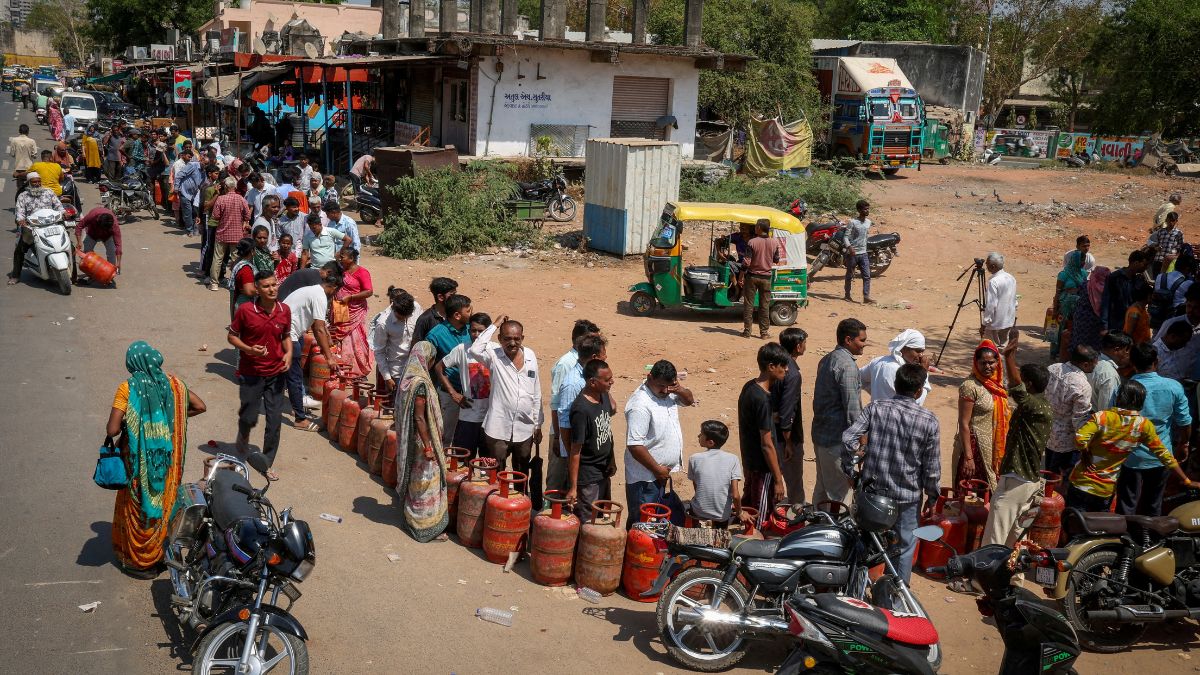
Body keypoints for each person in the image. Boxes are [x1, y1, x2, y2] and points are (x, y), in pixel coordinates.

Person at [106, 341, 206, 578]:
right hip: (166, 461)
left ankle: (137, 562)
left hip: (136, 462)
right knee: (162, 502)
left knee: (138, 506)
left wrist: (136, 424)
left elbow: (112, 430)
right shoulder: (175, 385)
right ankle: (156, 555)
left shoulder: (128, 388)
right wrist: (174, 417)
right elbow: (200, 406)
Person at [841, 363, 940, 584]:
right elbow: (931, 468)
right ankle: (896, 597)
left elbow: (848, 438)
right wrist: (932, 496)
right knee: (903, 548)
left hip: (873, 494)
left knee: (866, 543)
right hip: (907, 499)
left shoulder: (876, 408)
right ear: (919, 391)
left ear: (896, 385)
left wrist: (850, 471)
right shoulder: (929, 420)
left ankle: (856, 590)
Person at [1069, 380, 1196, 511]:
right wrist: (1186, 480)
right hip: (1105, 489)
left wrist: (1085, 452)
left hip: (1080, 482)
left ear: (1118, 398)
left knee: (1074, 520)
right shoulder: (1143, 425)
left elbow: (1080, 438)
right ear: (1141, 401)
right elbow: (1165, 456)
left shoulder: (1102, 417)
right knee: (1098, 523)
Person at [981, 333, 1054, 548]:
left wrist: (1009, 358)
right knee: (1015, 537)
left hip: (1018, 482)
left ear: (1029, 384)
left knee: (996, 534)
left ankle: (986, 570)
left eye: (1022, 378)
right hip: (1023, 480)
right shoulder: (1039, 405)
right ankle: (1011, 569)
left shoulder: (1036, 407)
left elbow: (1017, 390)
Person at [228, 271, 291, 471]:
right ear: (257, 289)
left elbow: (286, 336)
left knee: (274, 420)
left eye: (274, 284)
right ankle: (243, 439)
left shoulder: (284, 310)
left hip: (276, 373)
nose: (272, 289)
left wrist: (289, 353)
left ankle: (266, 462)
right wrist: (249, 349)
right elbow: (232, 337)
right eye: (266, 286)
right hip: (251, 373)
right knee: (248, 417)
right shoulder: (245, 310)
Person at [1119, 343, 1192, 517]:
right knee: (1153, 504)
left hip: (1130, 457)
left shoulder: (1125, 388)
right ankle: (1150, 533)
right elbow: (1185, 422)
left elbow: (1114, 421)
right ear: (1156, 361)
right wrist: (1184, 444)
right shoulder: (1173, 387)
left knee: (1127, 504)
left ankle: (1124, 533)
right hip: (1161, 457)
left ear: (1132, 363)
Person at [623, 359, 694, 529]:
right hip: (645, 478)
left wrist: (679, 389)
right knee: (641, 525)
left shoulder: (668, 391)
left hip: (659, 476)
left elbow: (689, 400)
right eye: (661, 386)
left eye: (669, 386)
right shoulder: (640, 405)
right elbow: (635, 445)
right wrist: (657, 470)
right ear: (650, 377)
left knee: (654, 524)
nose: (665, 390)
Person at [468, 318, 544, 474]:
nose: (512, 343)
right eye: (507, 339)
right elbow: (475, 349)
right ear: (500, 339)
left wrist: (537, 425)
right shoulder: (493, 356)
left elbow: (536, 392)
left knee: (521, 472)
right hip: (498, 429)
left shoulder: (530, 356)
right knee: (496, 473)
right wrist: (494, 325)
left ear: (522, 338)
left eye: (517, 339)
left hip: (524, 428)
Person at [394, 341, 450, 543]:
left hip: (411, 441)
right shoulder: (420, 384)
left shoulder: (406, 380)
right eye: (432, 358)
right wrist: (428, 447)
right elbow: (419, 417)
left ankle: (411, 520)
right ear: (427, 358)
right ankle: (424, 526)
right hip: (422, 442)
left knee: (416, 482)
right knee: (426, 483)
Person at [811, 318, 866, 507]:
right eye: (862, 340)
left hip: (821, 435)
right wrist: (862, 440)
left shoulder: (827, 359)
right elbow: (853, 409)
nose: (864, 345)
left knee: (822, 488)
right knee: (840, 495)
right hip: (836, 440)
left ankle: (817, 521)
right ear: (848, 340)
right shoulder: (847, 366)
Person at [739, 343, 790, 529]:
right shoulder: (762, 399)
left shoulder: (749, 387)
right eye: (783, 365)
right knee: (760, 518)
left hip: (750, 463)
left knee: (749, 508)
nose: (786, 369)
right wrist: (778, 480)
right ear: (771, 367)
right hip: (762, 467)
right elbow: (767, 444)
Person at [284, 272, 344, 431]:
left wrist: (327, 337)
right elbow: (318, 328)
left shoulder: (313, 290)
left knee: (290, 374)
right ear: (334, 288)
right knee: (294, 377)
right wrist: (329, 357)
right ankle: (300, 419)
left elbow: (318, 325)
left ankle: (295, 405)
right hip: (287, 334)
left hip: (290, 332)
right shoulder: (320, 296)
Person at [549, 320, 602, 492]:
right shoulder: (566, 364)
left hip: (578, 436)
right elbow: (557, 405)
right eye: (592, 339)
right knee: (557, 482)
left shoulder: (591, 366)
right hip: (564, 434)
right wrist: (558, 438)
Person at [951, 340, 1011, 491]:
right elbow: (964, 423)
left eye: (991, 362)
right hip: (974, 448)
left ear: (998, 362)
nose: (987, 366)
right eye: (983, 363)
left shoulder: (997, 385)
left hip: (992, 448)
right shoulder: (970, 386)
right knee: (971, 495)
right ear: (976, 363)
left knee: (990, 495)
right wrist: (969, 457)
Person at [566, 359, 616, 520]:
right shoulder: (581, 410)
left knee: (603, 518)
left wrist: (611, 461)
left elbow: (612, 413)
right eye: (607, 380)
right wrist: (573, 487)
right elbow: (575, 451)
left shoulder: (603, 395)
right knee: (588, 522)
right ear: (592, 382)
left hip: (604, 470)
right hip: (588, 478)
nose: (612, 382)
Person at [441, 313, 493, 456]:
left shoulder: (497, 350)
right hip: (468, 416)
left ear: (488, 331)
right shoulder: (462, 349)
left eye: (481, 331)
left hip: (491, 418)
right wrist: (453, 393)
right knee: (463, 460)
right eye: (473, 330)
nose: (476, 335)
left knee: (488, 463)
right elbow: (439, 368)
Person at [1044, 345, 1099, 476]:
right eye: (1094, 363)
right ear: (1085, 364)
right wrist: (1085, 448)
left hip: (1047, 432)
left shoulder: (1052, 368)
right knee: (1061, 478)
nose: (1096, 366)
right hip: (1067, 443)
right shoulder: (1082, 386)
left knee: (1049, 473)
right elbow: (1079, 421)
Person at [428, 294, 474, 442]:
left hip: (472, 393)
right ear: (457, 315)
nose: (471, 313)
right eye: (468, 311)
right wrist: (452, 393)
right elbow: (429, 366)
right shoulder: (435, 335)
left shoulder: (471, 329)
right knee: (446, 435)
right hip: (450, 394)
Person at [687, 420, 749, 528]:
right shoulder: (733, 459)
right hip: (721, 515)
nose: (698, 435)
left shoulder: (694, 458)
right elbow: (735, 495)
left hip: (699, 511)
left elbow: (697, 487)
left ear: (710, 442)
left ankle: (696, 528)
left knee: (691, 505)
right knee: (722, 525)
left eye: (701, 434)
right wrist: (740, 512)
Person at [8, 172, 63, 285]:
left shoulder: (48, 192)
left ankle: (74, 275)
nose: (37, 184)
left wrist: (64, 213)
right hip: (32, 227)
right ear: (29, 183)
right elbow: (20, 211)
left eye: (39, 181)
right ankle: (15, 275)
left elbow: (58, 206)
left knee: (69, 246)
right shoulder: (23, 196)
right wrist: (21, 220)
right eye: (34, 182)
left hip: (51, 224)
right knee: (20, 250)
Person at [772, 327, 807, 503]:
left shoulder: (776, 366)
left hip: (772, 432)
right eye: (804, 343)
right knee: (794, 483)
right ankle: (796, 513)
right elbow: (787, 411)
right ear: (798, 346)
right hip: (786, 437)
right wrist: (789, 442)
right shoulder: (792, 374)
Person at [329, 247, 374, 379]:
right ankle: (342, 369)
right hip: (340, 309)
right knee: (339, 338)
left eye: (343, 257)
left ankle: (358, 370)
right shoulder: (341, 270)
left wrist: (351, 297)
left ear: (351, 258)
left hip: (355, 312)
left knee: (355, 340)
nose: (340, 258)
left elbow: (369, 291)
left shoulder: (362, 272)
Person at [371, 287, 421, 404]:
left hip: (415, 368)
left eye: (407, 316)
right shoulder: (383, 323)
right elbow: (379, 351)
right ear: (393, 308)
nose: (404, 319)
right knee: (395, 405)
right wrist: (387, 377)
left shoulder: (416, 307)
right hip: (396, 371)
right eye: (400, 317)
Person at [859, 329, 931, 405]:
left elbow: (859, 377)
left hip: (876, 410)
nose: (921, 355)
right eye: (918, 351)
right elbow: (916, 403)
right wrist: (923, 372)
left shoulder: (878, 361)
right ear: (903, 348)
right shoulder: (903, 373)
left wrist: (876, 391)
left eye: (922, 351)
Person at [209, 177, 251, 291]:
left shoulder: (221, 199)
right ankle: (235, 283)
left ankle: (214, 283)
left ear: (226, 187)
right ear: (235, 187)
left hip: (222, 233)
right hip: (237, 234)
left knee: (217, 259)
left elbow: (215, 216)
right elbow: (248, 215)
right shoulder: (241, 199)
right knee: (236, 260)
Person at [742, 218, 782, 339]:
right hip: (766, 278)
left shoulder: (752, 242)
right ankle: (764, 333)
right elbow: (776, 260)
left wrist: (741, 275)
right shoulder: (774, 243)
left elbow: (746, 262)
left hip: (752, 276)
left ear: (759, 228)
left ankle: (747, 331)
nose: (754, 228)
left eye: (756, 226)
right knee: (764, 305)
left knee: (748, 304)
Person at [1051, 250, 1089, 358]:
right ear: (1075, 260)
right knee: (1060, 329)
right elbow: (1058, 292)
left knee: (1074, 329)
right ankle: (1056, 352)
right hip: (1064, 306)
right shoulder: (1063, 274)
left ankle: (1070, 353)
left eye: (1084, 260)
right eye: (1081, 260)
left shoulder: (1083, 273)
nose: (1083, 263)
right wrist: (1055, 309)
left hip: (1078, 306)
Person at [1100, 251, 1149, 335]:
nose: (1145, 268)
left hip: (1131, 322)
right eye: (1144, 264)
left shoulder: (1139, 280)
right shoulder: (1115, 277)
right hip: (1116, 323)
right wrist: (1104, 326)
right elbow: (1106, 301)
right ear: (1136, 263)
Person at [73, 206, 122, 285]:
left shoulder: (114, 226)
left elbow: (118, 245)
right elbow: (79, 227)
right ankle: (91, 273)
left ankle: (109, 274)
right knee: (87, 252)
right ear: (98, 221)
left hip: (107, 236)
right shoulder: (92, 216)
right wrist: (79, 242)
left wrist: (118, 263)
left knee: (112, 251)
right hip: (92, 233)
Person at [980, 252, 1018, 349]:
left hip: (996, 324)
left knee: (992, 349)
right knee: (1004, 348)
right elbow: (1014, 300)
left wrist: (984, 324)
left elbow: (991, 305)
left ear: (993, 266)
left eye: (987, 263)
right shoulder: (1011, 278)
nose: (986, 265)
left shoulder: (994, 281)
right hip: (1008, 321)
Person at [1070, 264, 1109, 354]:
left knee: (1079, 340)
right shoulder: (1107, 289)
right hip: (1097, 320)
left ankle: (1077, 357)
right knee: (1094, 344)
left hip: (1082, 317)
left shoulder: (1086, 285)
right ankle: (1092, 359)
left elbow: (1078, 295)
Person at [1089, 331, 1131, 413]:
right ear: (1117, 350)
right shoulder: (1109, 374)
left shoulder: (1093, 361)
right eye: (1126, 350)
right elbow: (1107, 411)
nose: (1128, 354)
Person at [842, 199, 875, 304]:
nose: (867, 211)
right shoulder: (852, 222)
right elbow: (845, 237)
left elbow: (865, 236)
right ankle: (847, 295)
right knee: (849, 275)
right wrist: (850, 247)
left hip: (863, 253)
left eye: (868, 209)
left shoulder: (868, 222)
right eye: (865, 209)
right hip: (853, 254)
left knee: (867, 275)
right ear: (859, 210)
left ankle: (866, 296)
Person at [413, 277, 459, 342]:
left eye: (455, 294)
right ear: (440, 297)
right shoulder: (425, 319)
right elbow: (416, 345)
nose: (455, 298)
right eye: (452, 295)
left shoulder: (457, 314)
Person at [173, 149, 203, 237]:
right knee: (188, 212)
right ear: (201, 160)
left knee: (194, 212)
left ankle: (194, 229)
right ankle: (189, 231)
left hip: (194, 194)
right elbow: (179, 175)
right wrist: (176, 187)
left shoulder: (205, 170)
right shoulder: (192, 165)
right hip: (184, 192)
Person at [1147, 212, 1184, 278]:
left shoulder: (1179, 234)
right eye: (1169, 220)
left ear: (1176, 221)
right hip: (1159, 260)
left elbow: (1180, 248)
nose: (1171, 223)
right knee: (1156, 280)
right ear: (1166, 220)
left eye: (1173, 221)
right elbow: (1154, 243)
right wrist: (1156, 248)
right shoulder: (1160, 232)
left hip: (1170, 263)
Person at [7, 123, 37, 193]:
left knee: (19, 187)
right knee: (30, 186)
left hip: (18, 167)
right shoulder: (32, 141)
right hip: (29, 168)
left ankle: (19, 196)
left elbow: (12, 154)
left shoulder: (14, 140)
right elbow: (34, 155)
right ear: (28, 131)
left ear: (19, 131)